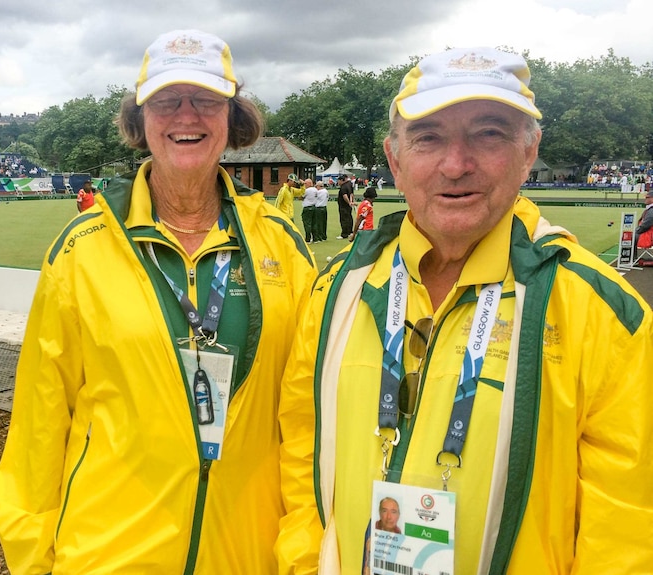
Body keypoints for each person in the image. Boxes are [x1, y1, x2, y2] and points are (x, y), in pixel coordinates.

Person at [277, 47, 653, 574]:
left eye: (489, 134)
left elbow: (625, 531)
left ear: (529, 152)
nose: (456, 164)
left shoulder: (603, 311)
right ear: (395, 160)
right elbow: (300, 454)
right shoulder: (337, 289)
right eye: (429, 137)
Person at [0, 29, 316, 575]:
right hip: (107, 554)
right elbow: (39, 424)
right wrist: (32, 558)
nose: (185, 116)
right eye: (166, 101)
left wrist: (302, 555)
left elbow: (306, 422)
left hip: (248, 554)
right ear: (139, 121)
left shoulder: (281, 244)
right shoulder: (81, 249)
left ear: (232, 120)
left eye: (205, 100)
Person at [634, 190, 653, 265]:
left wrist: (636, 231)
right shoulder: (650, 209)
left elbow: (645, 225)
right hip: (649, 232)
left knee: (630, 237)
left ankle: (633, 259)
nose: (645, 199)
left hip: (650, 234)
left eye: (647, 197)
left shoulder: (651, 211)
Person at [336, 173, 354, 239]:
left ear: (341, 180)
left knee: (344, 219)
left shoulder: (343, 187)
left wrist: (349, 202)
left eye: (338, 180)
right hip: (348, 206)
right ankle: (350, 231)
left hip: (343, 206)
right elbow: (351, 194)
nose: (338, 182)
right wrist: (351, 202)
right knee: (349, 218)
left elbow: (345, 196)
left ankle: (344, 234)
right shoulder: (349, 185)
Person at [302, 178, 318, 243]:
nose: (304, 185)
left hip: (307, 208)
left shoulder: (307, 190)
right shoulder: (315, 190)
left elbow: (301, 196)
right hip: (314, 207)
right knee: (314, 223)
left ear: (309, 183)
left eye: (305, 183)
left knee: (307, 224)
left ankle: (308, 238)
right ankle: (315, 238)